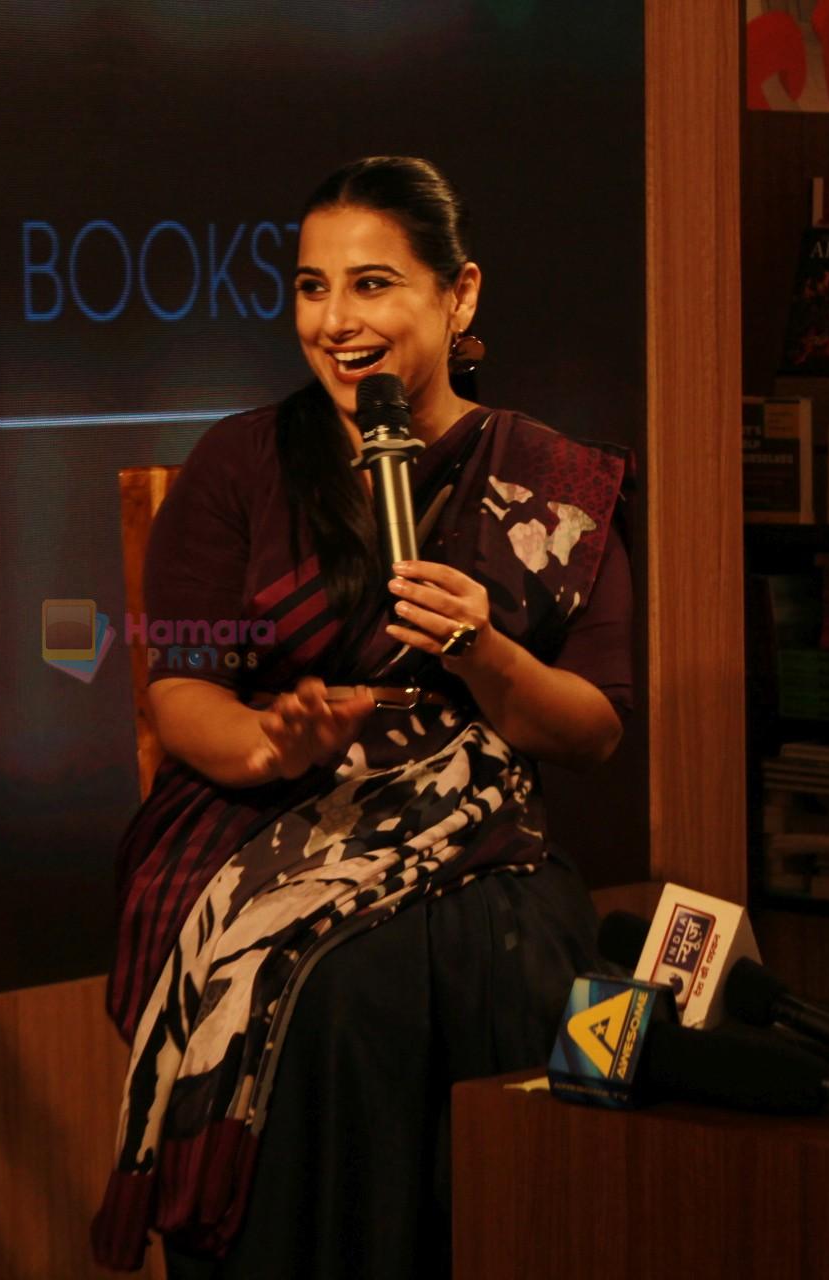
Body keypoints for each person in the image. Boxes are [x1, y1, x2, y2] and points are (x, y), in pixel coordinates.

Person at [91, 156, 633, 1279]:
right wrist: (266, 740)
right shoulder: (243, 460)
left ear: (460, 295)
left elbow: (594, 729)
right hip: (266, 816)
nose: (336, 321)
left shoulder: (549, 483)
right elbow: (176, 686)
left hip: (478, 824)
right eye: (311, 287)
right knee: (336, 989)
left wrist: (483, 650)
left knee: (516, 950)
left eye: (373, 284)